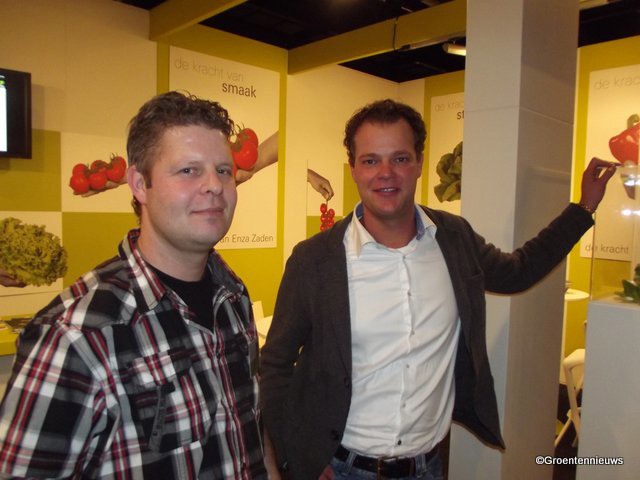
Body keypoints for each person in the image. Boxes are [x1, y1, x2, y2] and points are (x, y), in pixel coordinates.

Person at [259, 99, 616, 480]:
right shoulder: (315, 260)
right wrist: (296, 458)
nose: (385, 173)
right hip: (341, 469)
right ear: (353, 169)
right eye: (370, 160)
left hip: (427, 467)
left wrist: (583, 208)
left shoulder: (454, 239)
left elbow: (518, 272)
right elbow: (275, 363)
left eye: (399, 158)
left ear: (419, 162)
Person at [0, 91, 267, 479]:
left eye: (224, 170)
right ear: (140, 184)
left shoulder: (233, 297)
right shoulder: (77, 334)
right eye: (188, 170)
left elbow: (249, 429)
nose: (214, 185)